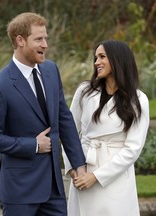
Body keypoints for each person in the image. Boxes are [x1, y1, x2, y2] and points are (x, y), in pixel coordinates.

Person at [0, 12, 86, 216]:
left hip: (54, 189)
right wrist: (34, 145)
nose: (45, 44)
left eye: (45, 38)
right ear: (20, 40)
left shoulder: (51, 70)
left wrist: (78, 163)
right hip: (20, 192)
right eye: (38, 39)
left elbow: (64, 120)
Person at [62, 39, 150, 216]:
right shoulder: (84, 91)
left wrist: (96, 177)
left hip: (114, 177)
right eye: (95, 58)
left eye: (102, 57)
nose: (96, 63)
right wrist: (73, 167)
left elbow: (132, 149)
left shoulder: (138, 100)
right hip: (82, 169)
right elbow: (68, 130)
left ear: (118, 60)